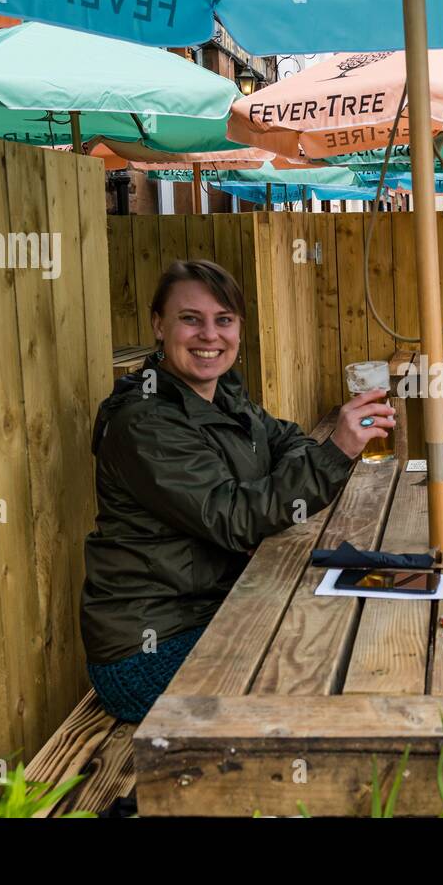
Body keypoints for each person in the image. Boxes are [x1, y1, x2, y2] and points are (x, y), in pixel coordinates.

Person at [81, 259, 394, 722]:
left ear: (239, 329)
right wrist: (337, 451)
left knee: (356, 632)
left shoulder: (222, 392)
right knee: (318, 685)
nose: (210, 335)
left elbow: (288, 440)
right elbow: (234, 519)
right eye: (191, 319)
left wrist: (287, 476)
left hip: (223, 609)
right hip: (151, 649)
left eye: (223, 320)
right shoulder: (145, 422)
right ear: (158, 325)